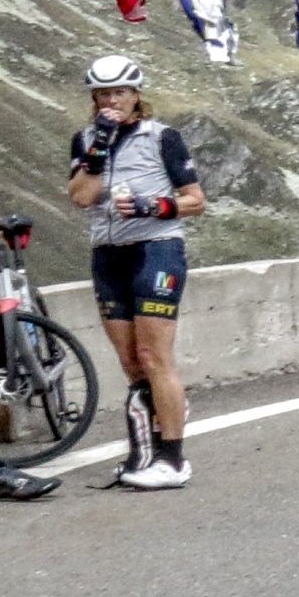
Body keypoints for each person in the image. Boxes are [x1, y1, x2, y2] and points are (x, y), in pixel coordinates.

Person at [65, 52, 205, 491]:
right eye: (104, 92)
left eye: (120, 92)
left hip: (156, 248)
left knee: (154, 356)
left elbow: (196, 200)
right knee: (130, 363)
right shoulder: (86, 139)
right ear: (94, 96)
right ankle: (146, 449)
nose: (112, 99)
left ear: (136, 94)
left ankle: (174, 460)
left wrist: (156, 206)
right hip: (108, 253)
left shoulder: (162, 137)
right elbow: (82, 198)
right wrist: (99, 148)